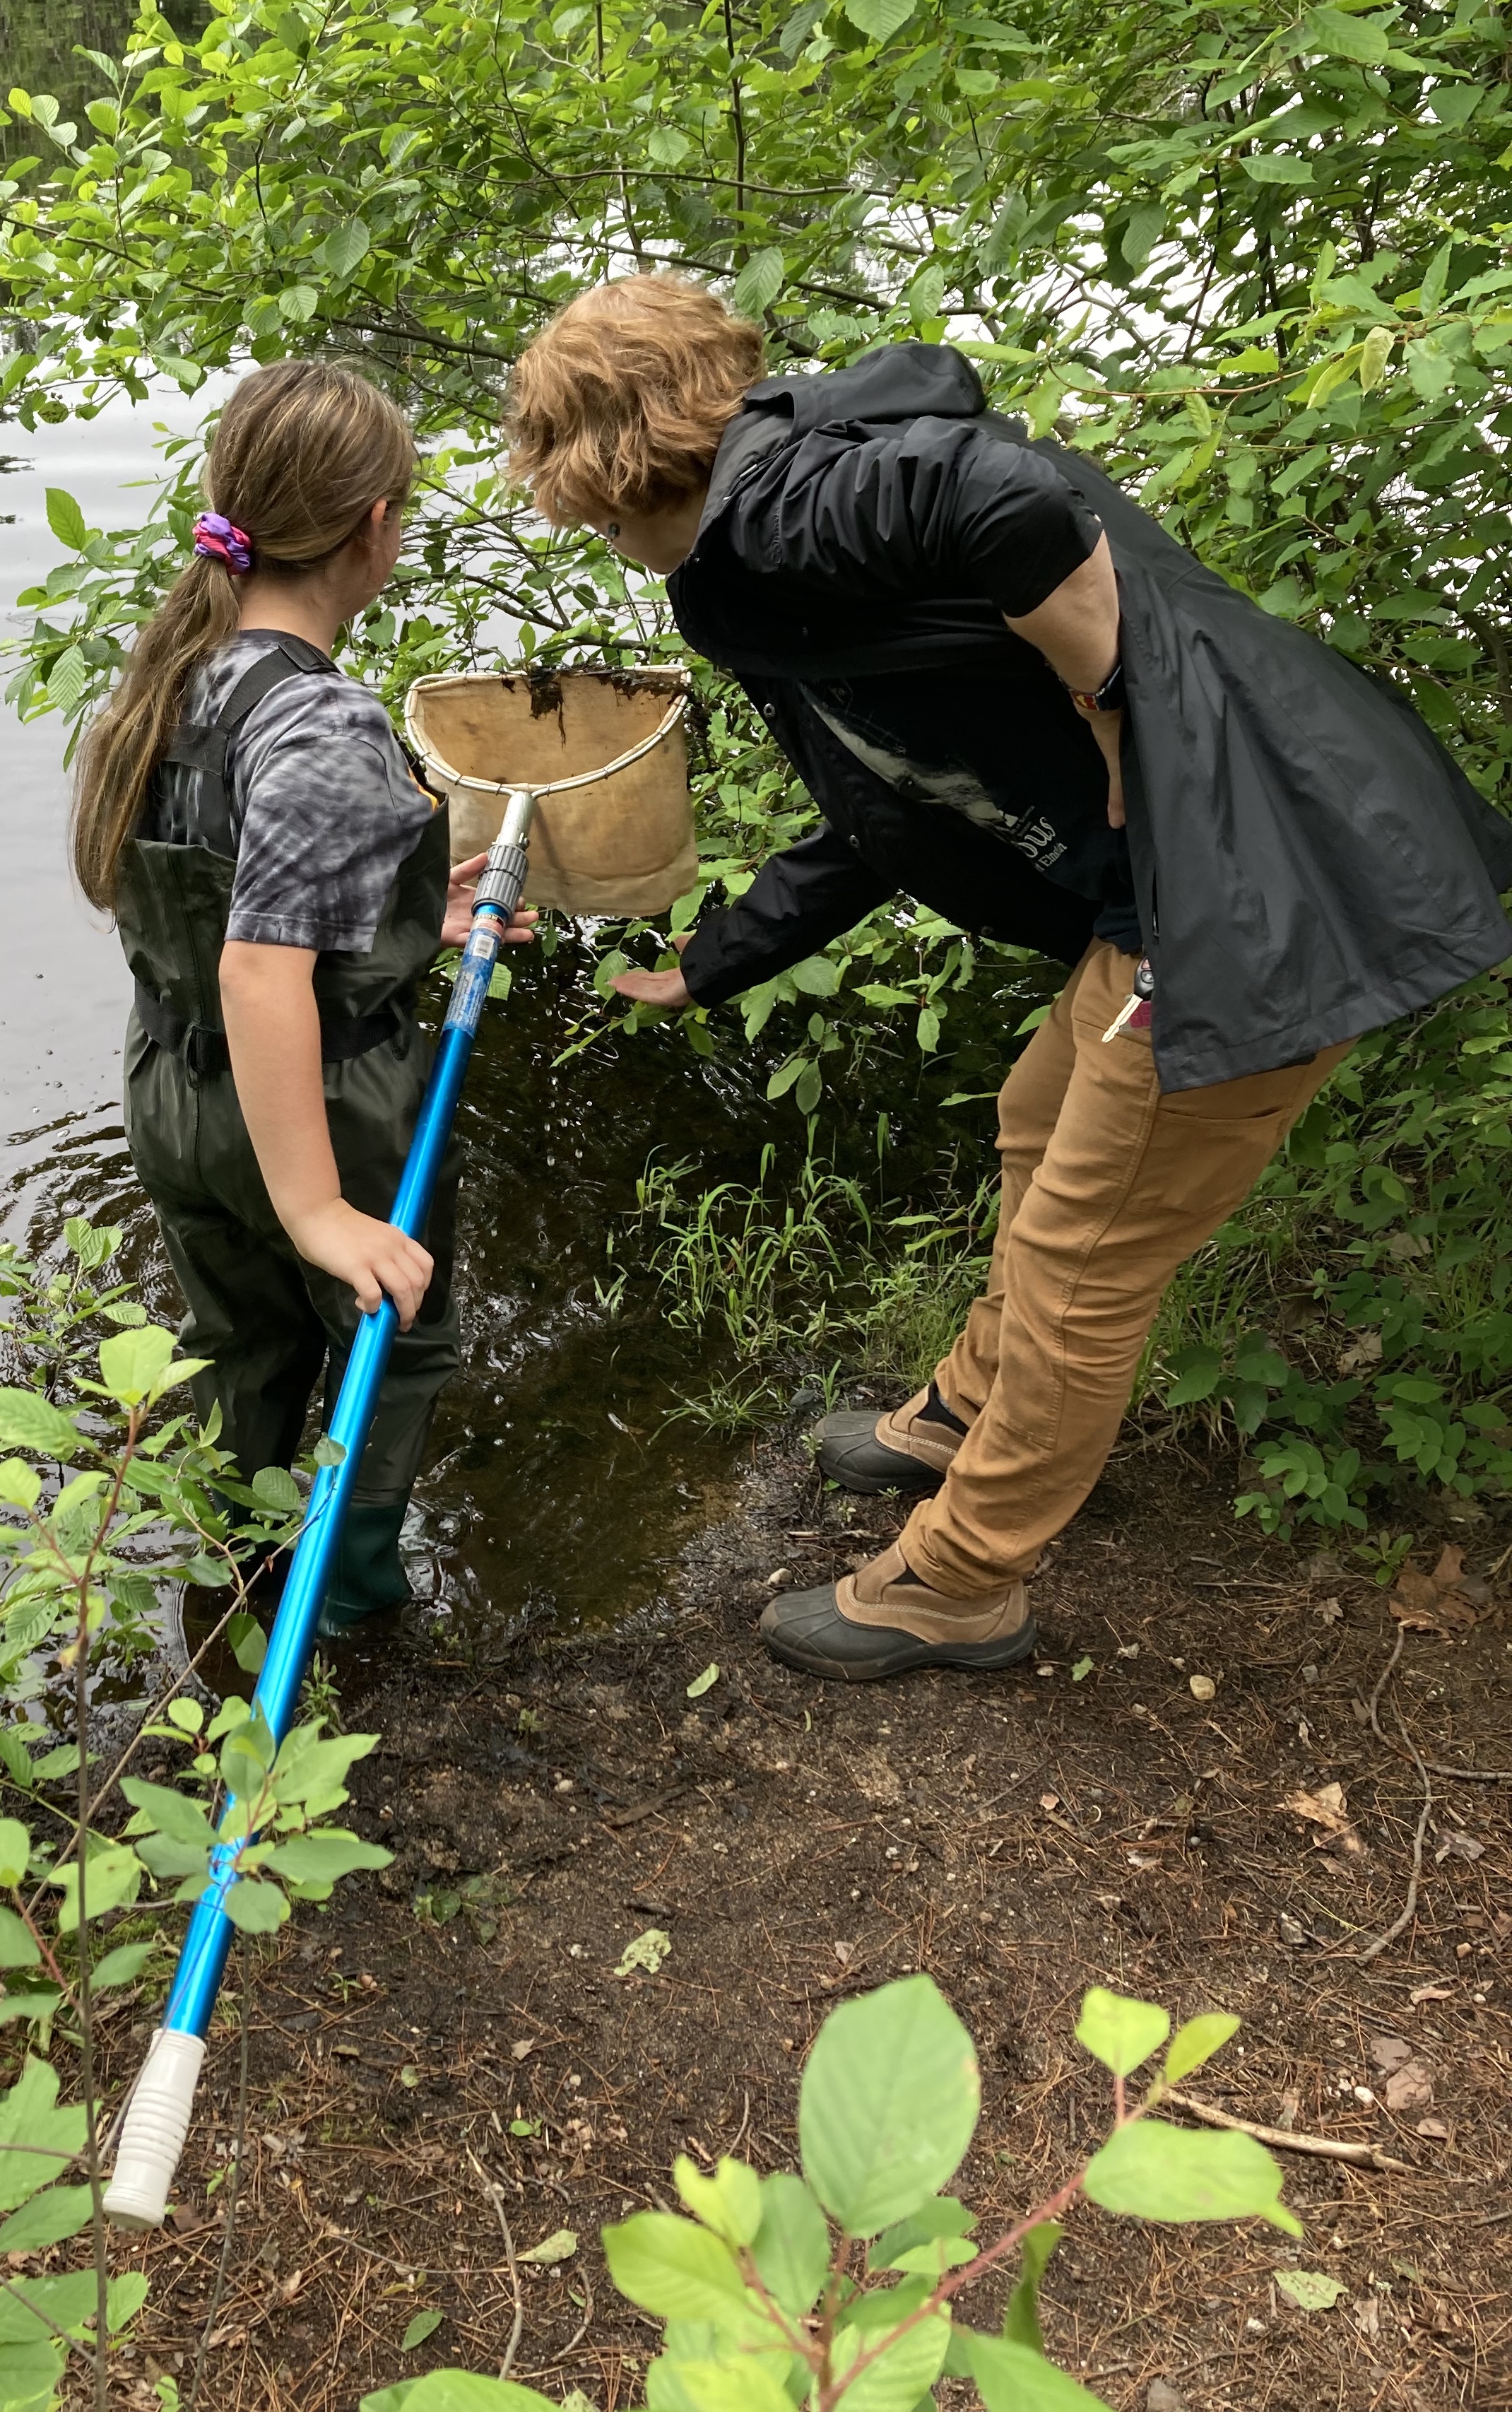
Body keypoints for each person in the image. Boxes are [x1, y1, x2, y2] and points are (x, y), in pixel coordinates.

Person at [505, 275, 1512, 1683]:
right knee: (1040, 1115)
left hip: (1264, 881)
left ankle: (964, 1582)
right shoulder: (768, 524)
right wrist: (717, 963)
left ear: (623, 470)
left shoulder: (784, 507)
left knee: (1084, 1270)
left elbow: (1012, 500)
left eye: (596, 516)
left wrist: (1114, 704)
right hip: (1172, 878)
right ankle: (960, 1411)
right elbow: (888, 794)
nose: (606, 544)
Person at [73, 360, 531, 1630]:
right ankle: (354, 1594)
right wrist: (321, 1207)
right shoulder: (323, 719)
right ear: (375, 528)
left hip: (175, 1093)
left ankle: (231, 1590)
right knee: (401, 1327)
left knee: (245, 1350)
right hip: (318, 1104)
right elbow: (263, 965)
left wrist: (405, 917)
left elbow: (225, 900)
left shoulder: (172, 678)